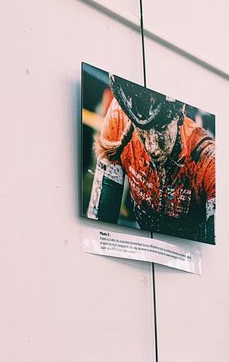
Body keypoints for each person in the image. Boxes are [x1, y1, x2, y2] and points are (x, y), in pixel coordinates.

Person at [87, 72, 216, 242]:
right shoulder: (120, 114)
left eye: (161, 129)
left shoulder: (206, 158)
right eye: (142, 132)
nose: (152, 146)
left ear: (178, 117)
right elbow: (99, 222)